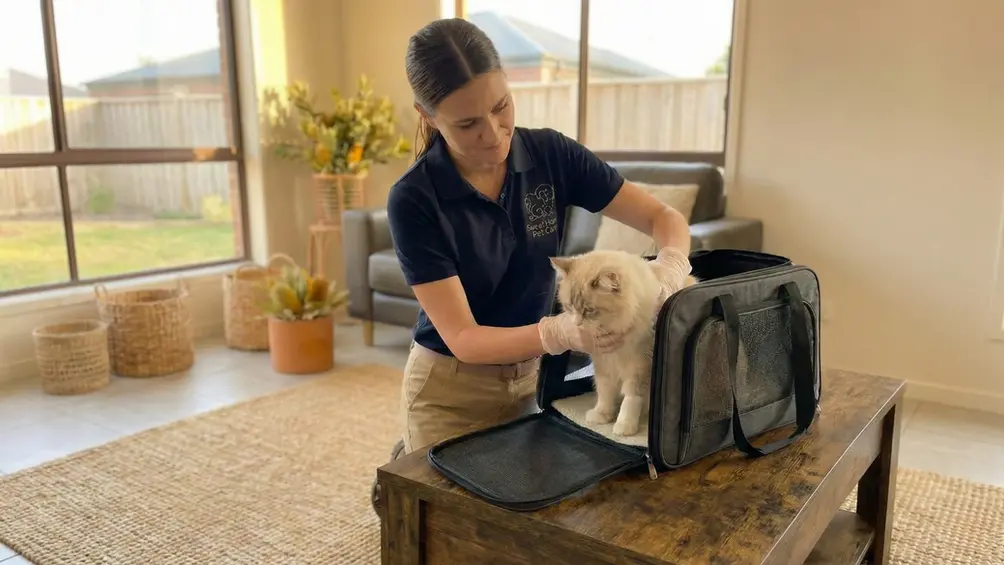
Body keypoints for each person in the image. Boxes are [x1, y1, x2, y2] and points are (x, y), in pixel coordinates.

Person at [370, 17, 693, 514]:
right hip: (451, 389)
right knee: (452, 528)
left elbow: (662, 218)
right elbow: (464, 338)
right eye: (466, 124)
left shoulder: (550, 155)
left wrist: (670, 268)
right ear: (427, 117)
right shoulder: (414, 199)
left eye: (501, 106)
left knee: (525, 520)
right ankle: (404, 464)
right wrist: (558, 333)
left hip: (532, 383)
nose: (493, 133)